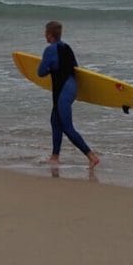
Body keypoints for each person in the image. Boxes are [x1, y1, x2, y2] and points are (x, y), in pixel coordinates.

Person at [37, 20, 101, 169]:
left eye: (45, 32)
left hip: (62, 90)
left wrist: (49, 68)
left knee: (66, 126)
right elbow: (75, 68)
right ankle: (55, 157)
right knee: (55, 121)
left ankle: (91, 157)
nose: (44, 35)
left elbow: (40, 73)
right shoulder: (67, 47)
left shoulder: (49, 50)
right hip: (72, 87)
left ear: (50, 34)